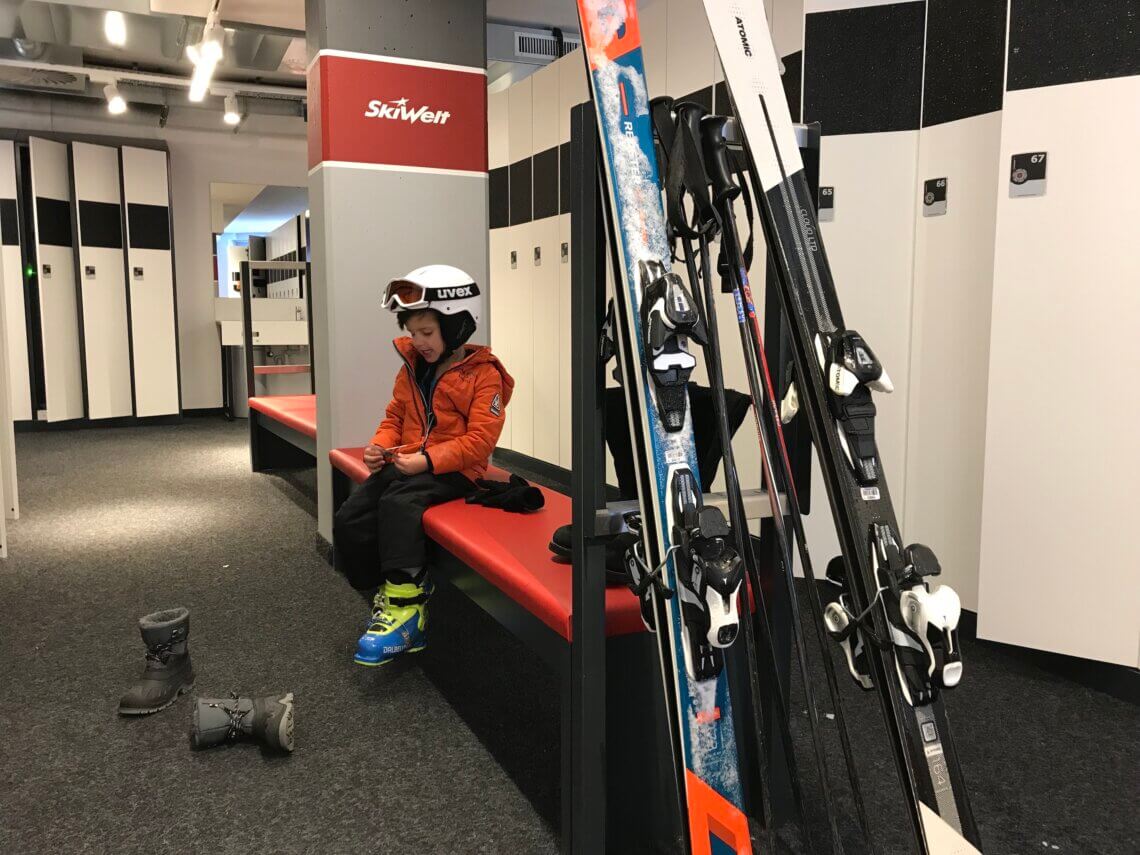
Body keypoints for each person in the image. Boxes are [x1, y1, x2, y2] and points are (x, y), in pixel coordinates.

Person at [334, 265, 513, 667]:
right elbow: (394, 417)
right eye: (413, 332)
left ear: (459, 325)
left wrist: (429, 460)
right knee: (350, 518)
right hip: (411, 461)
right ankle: (393, 590)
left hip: (457, 470)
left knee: (399, 504)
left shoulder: (485, 376)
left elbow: (480, 441)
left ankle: (409, 610)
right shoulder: (412, 368)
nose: (418, 341)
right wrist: (379, 447)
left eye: (427, 332)